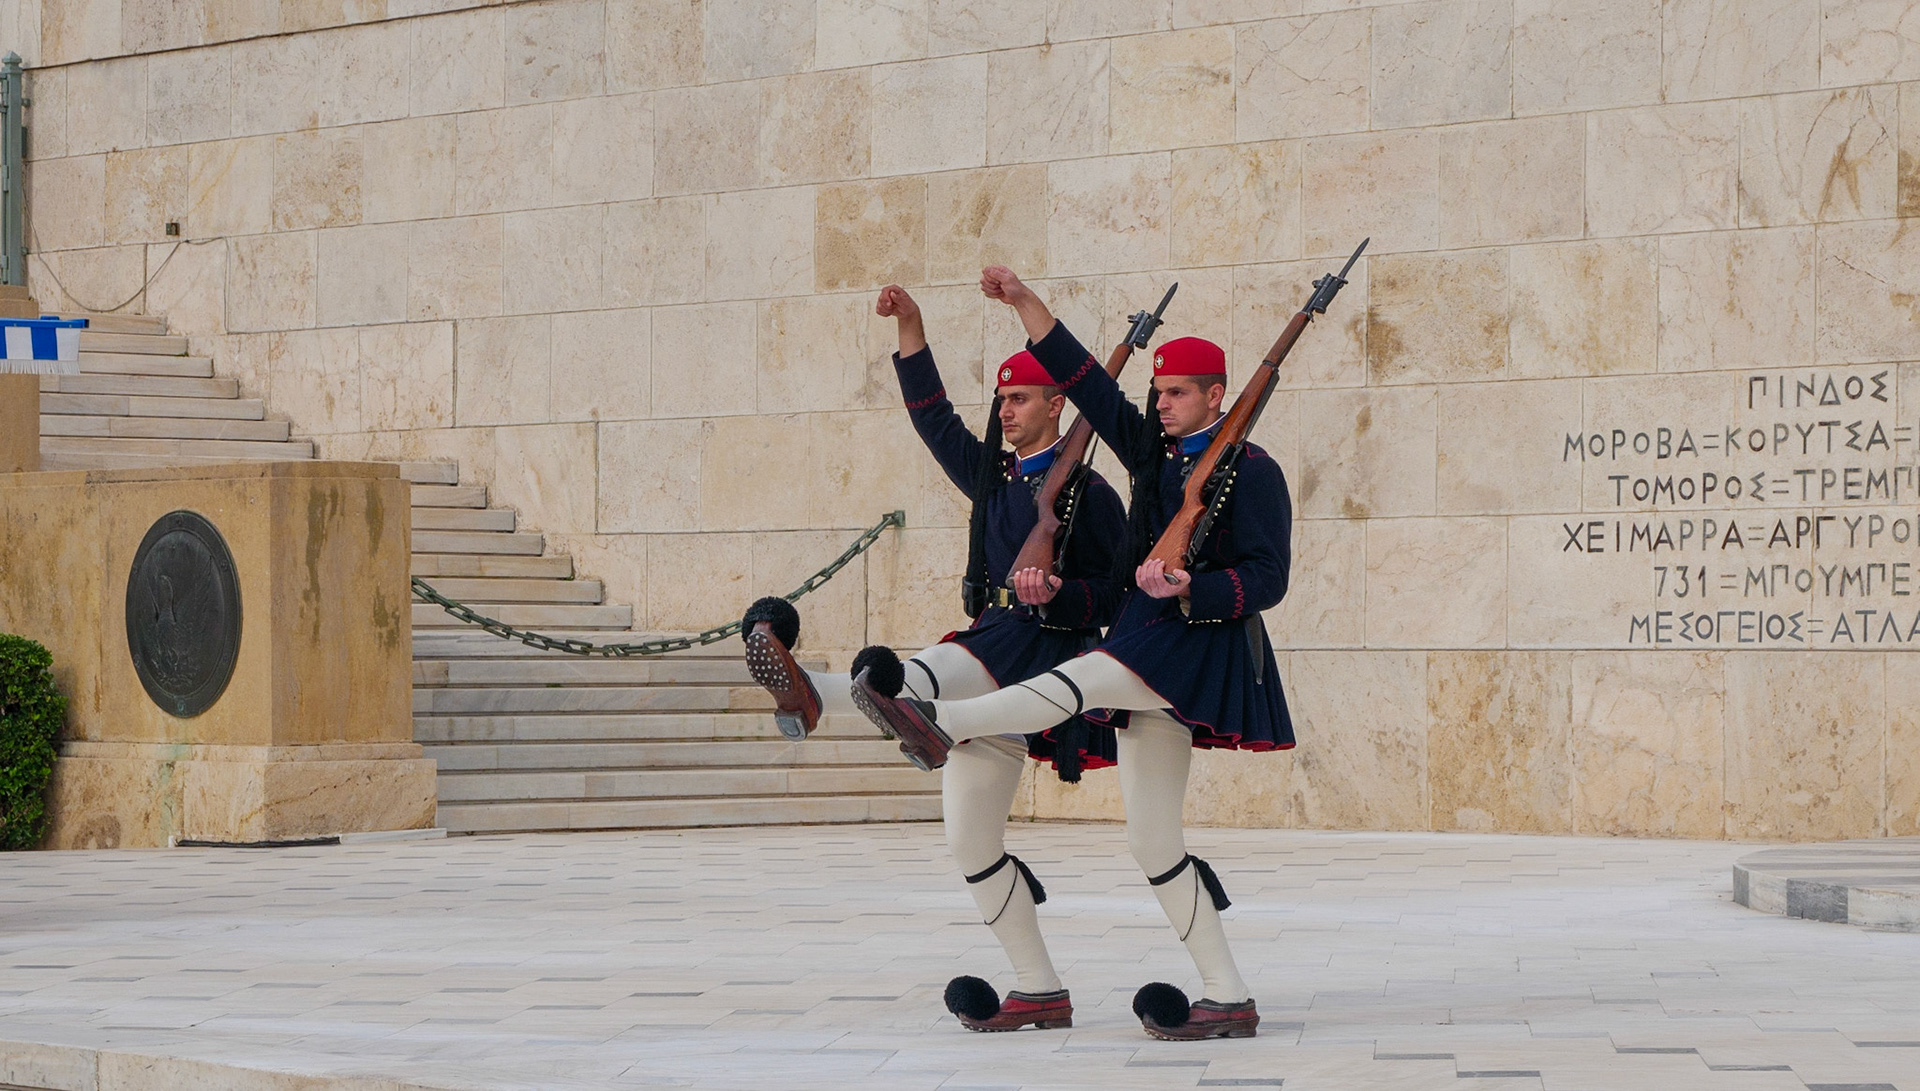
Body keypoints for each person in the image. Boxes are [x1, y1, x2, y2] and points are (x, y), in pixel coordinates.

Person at [850, 266, 1295, 1041]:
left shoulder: (1254, 473)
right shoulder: (1152, 459)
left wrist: (1194, 583)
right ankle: (1227, 996)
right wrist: (1027, 306)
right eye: (1159, 393)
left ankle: (940, 718)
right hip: (1148, 640)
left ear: (1218, 395)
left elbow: (1268, 576)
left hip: (1199, 644)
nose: (1162, 404)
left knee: (1079, 676)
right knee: (1151, 839)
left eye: (1179, 392)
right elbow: (1089, 382)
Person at [740, 282, 1129, 1033]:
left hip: (1038, 655)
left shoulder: (1090, 493)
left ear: (1056, 406)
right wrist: (911, 327)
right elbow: (933, 420)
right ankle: (1040, 987)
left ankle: (828, 692)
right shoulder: (993, 479)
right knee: (971, 843)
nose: (1007, 410)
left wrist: (1055, 592)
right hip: (994, 648)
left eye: (1022, 399)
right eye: (1004, 399)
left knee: (931, 669)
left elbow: (1109, 600)